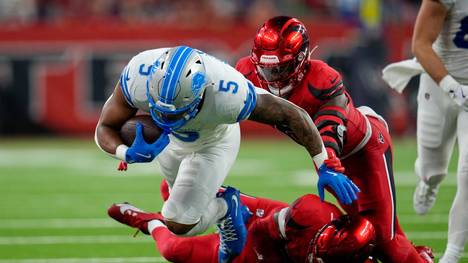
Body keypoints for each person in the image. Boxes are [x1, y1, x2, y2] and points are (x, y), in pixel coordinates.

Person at [94, 46, 359, 262]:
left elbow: (294, 115)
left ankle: (224, 206)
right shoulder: (138, 74)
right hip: (170, 142)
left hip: (213, 142)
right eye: (159, 111)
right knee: (175, 200)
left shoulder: (229, 93)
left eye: (173, 113)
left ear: (200, 93)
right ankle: (224, 208)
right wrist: (125, 153)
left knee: (178, 221)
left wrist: (324, 164)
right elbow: (104, 128)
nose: (164, 118)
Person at [235, 16, 423, 262]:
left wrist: (328, 164)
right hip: (325, 158)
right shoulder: (245, 73)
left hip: (363, 150)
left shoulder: (322, 79)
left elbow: (329, 132)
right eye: (267, 69)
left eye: (281, 68)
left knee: (384, 241)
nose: (272, 77)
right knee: (373, 233)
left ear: (302, 60)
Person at [108, 180, 434, 263]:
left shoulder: (363, 251)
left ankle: (155, 219)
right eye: (319, 253)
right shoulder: (310, 215)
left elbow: (400, 248)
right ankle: (153, 222)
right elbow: (261, 233)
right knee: (176, 243)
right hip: (263, 233)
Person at [382, 1, 468, 262]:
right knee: (433, 170)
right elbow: (420, 44)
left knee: (467, 173)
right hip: (440, 82)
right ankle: (429, 183)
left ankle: (452, 253)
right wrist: (453, 87)